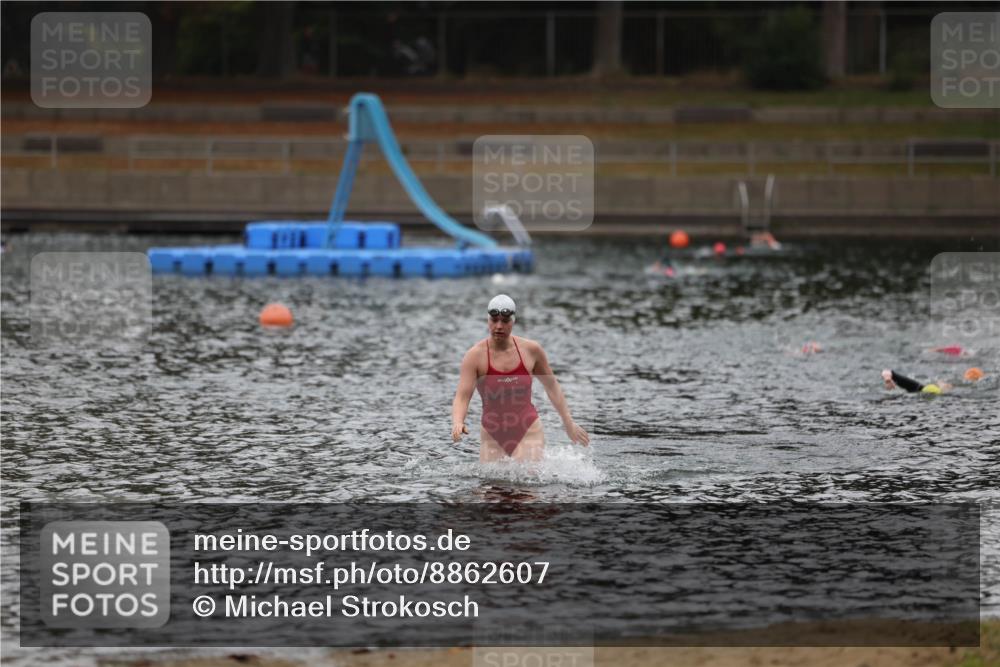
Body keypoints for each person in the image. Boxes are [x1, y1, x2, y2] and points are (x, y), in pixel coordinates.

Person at [451, 294, 590, 462]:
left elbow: (552, 386)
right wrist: (458, 421)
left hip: (528, 430)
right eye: (494, 320)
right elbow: (462, 396)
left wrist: (568, 423)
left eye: (505, 321)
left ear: (513, 321)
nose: (499, 326)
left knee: (526, 483)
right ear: (488, 320)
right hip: (492, 434)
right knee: (492, 487)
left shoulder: (531, 350)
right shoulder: (474, 356)